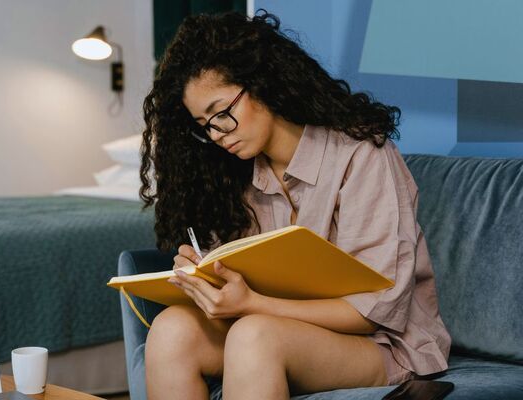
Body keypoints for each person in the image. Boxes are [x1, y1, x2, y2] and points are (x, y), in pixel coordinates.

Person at [137, 10, 451, 400]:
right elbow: (248, 281)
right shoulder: (236, 176)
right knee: (171, 330)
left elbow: (374, 311)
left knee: (254, 336)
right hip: (282, 327)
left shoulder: (362, 155)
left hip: (382, 343)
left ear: (263, 84)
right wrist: (206, 277)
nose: (218, 134)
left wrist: (251, 304)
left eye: (222, 113)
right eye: (205, 126)